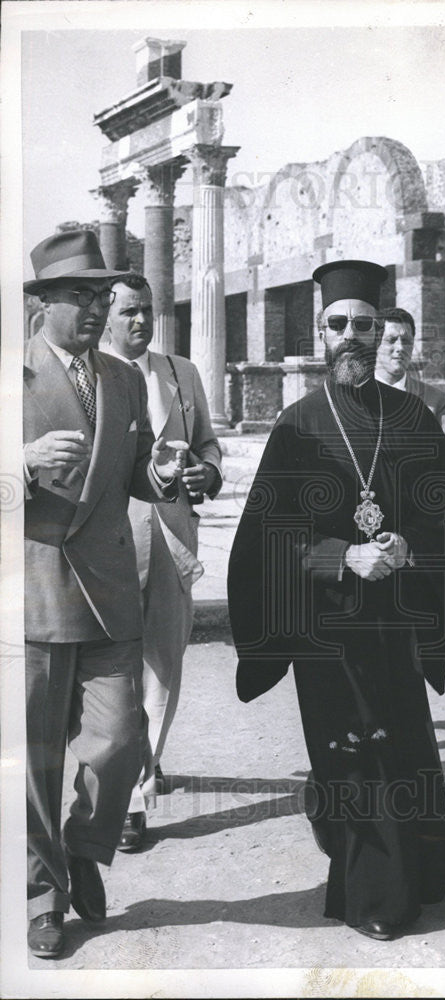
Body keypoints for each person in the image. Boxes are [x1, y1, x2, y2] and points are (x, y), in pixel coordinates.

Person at [227, 260, 445, 941]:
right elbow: (263, 544)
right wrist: (342, 556)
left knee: (401, 746)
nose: (350, 338)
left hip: (394, 619)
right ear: (321, 332)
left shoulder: (413, 417)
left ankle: (417, 873)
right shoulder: (297, 426)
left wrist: (404, 548)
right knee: (350, 752)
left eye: (363, 326)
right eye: (338, 326)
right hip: (326, 627)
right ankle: (373, 896)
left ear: (378, 331)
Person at [23, 230, 184, 958]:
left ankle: (85, 847)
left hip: (112, 589)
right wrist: (20, 464)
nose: (96, 309)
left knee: (120, 740)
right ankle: (41, 897)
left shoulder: (121, 378)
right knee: (35, 762)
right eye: (80, 296)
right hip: (37, 594)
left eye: (101, 296)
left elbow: (137, 474)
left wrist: (169, 476)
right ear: (43, 303)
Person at [102, 273, 223, 851]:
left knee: (164, 664)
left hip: (173, 538)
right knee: (112, 671)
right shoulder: (92, 377)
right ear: (106, 315)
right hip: (108, 545)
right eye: (128, 312)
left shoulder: (181, 373)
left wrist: (209, 471)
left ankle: (135, 795)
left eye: (146, 310)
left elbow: (207, 442)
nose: (141, 321)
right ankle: (128, 767)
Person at [374, 306, 445, 526]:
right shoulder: (357, 396)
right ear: (375, 344)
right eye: (391, 340)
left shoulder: (434, 401)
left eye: (406, 342)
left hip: (418, 518)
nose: (400, 348)